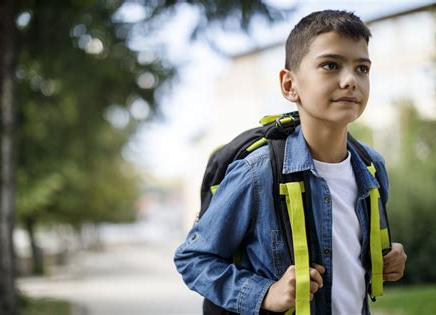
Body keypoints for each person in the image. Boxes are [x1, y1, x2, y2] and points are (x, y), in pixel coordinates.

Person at [174, 9, 407, 315]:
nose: (350, 80)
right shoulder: (257, 173)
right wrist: (264, 293)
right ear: (289, 85)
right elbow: (193, 259)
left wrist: (386, 256)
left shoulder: (371, 166)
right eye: (331, 65)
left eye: (362, 68)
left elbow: (348, 258)